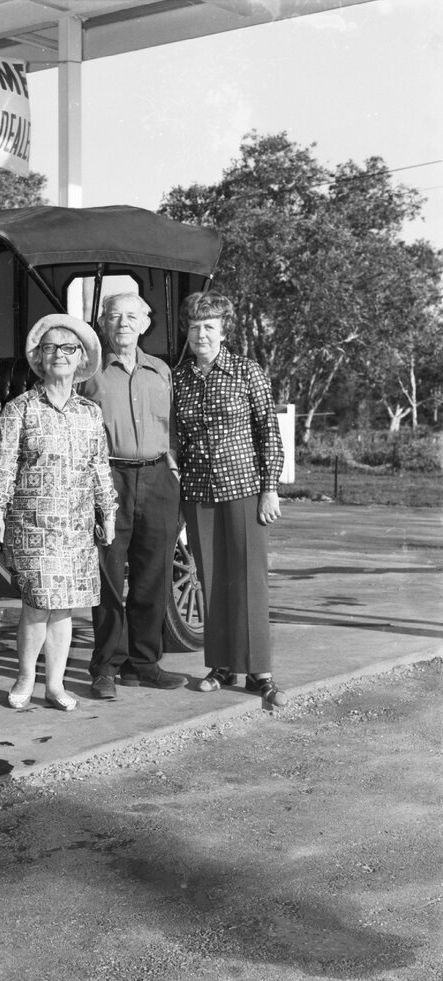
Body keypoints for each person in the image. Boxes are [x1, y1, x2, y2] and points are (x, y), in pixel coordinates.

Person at [0, 314, 117, 712]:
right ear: (39, 359)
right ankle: (25, 679)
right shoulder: (19, 408)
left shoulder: (90, 413)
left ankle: (55, 686)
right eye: (50, 348)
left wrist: (107, 512)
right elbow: (4, 463)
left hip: (76, 525)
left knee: (65, 607)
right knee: (38, 603)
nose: (58, 354)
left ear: (80, 360)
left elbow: (99, 466)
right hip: (33, 524)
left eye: (68, 348)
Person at [173, 292, 288, 706]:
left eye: (209, 326)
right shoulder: (179, 378)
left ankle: (260, 672)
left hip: (244, 489)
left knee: (249, 580)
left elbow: (267, 430)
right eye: (194, 326)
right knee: (212, 580)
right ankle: (221, 665)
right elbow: (178, 441)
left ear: (223, 331)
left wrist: (270, 488)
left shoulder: (245, 371)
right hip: (199, 493)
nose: (201, 334)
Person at [81, 292, 186, 699]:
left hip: (159, 479)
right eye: (114, 316)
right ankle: (106, 666)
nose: (123, 323)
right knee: (107, 576)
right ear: (104, 325)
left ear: (145, 323)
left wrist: (173, 466)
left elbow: (175, 425)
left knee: (152, 575)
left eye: (131, 316)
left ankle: (144, 664)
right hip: (110, 479)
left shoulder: (162, 372)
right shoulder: (89, 374)